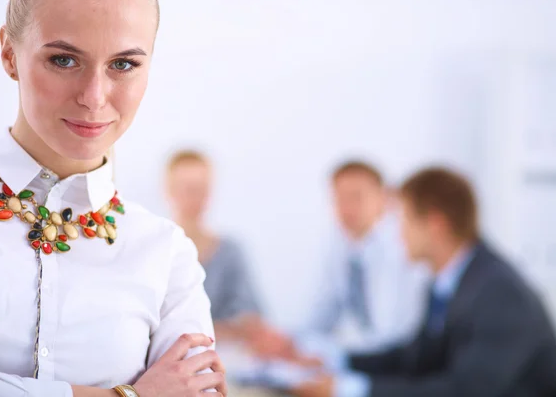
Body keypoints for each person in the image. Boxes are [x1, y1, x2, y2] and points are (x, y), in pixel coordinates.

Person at [0, 0, 227, 396]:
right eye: (64, 60)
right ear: (9, 54)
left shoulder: (167, 255)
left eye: (123, 64)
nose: (94, 97)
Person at [292, 167, 556, 397]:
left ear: (435, 224)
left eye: (404, 220)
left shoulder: (501, 293)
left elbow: (465, 392)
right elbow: (414, 359)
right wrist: (337, 361)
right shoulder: (447, 283)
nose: (398, 232)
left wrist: (352, 391)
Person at [164, 150, 293, 360]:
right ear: (168, 190)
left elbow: (253, 321)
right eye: (187, 189)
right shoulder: (155, 252)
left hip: (229, 361)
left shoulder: (231, 251)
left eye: (201, 189)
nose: (195, 198)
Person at [303, 161, 430, 354]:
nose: (347, 208)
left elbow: (391, 336)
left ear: (384, 198)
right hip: (364, 358)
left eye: (356, 197)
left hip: (397, 363)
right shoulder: (340, 244)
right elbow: (321, 315)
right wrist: (294, 345)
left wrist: (339, 357)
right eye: (339, 199)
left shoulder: (403, 247)